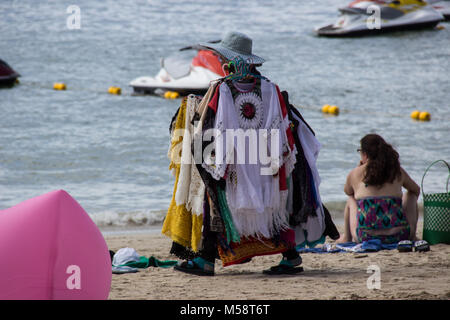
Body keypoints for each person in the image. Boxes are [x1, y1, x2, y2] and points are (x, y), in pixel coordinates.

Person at [337, 133, 420, 244]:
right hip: (400, 236)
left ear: (365, 154)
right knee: (411, 194)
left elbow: (348, 191)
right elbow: (416, 189)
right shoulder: (397, 170)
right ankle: (412, 236)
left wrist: (359, 169)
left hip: (365, 237)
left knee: (351, 199)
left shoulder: (355, 173)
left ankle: (346, 238)